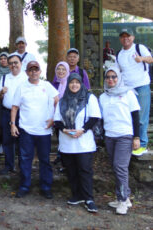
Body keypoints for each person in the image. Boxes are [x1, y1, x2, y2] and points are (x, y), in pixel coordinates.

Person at [54, 73, 101, 213]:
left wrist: (83, 130)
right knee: (71, 170)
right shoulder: (62, 101)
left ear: (81, 83)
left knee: (85, 170)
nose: (74, 85)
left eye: (77, 82)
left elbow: (95, 117)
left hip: (84, 142)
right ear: (67, 84)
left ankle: (89, 198)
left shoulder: (89, 98)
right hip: (67, 142)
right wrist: (65, 130)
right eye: (71, 82)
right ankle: (77, 194)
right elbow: (57, 121)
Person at [10, 61, 58, 199]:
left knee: (45, 159)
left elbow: (57, 101)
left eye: (36, 69)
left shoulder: (47, 86)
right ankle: (24, 186)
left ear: (40, 71)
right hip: (26, 129)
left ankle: (46, 187)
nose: (34, 72)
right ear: (27, 72)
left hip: (44, 130)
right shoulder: (22, 87)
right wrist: (13, 124)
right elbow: (14, 107)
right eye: (31, 70)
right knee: (25, 159)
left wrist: (54, 118)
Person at [100, 67, 140, 215]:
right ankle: (124, 197)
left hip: (125, 135)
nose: (111, 80)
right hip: (110, 136)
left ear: (119, 78)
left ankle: (123, 201)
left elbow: (136, 117)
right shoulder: (103, 97)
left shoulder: (128, 94)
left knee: (120, 167)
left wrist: (136, 137)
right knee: (116, 167)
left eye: (114, 77)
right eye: (108, 77)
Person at [116, 28, 153, 156]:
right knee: (130, 116)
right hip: (127, 89)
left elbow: (151, 59)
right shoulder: (119, 54)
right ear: (120, 39)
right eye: (123, 36)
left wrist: (141, 58)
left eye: (128, 36)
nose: (125, 38)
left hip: (142, 86)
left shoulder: (139, 47)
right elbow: (118, 72)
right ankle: (132, 143)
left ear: (133, 37)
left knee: (142, 116)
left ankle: (142, 144)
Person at [0, 54, 28, 175]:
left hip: (22, 113)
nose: (13, 65)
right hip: (6, 112)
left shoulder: (26, 78)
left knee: (22, 141)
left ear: (21, 64)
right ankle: (9, 165)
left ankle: (22, 166)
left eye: (16, 62)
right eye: (11, 63)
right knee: (7, 140)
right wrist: (1, 92)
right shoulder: (5, 78)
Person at [51, 61, 71, 165]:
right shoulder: (54, 83)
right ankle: (60, 156)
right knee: (59, 135)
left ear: (67, 70)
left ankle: (66, 159)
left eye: (63, 69)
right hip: (57, 115)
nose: (61, 71)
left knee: (67, 136)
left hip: (69, 115)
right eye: (59, 69)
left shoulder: (71, 83)